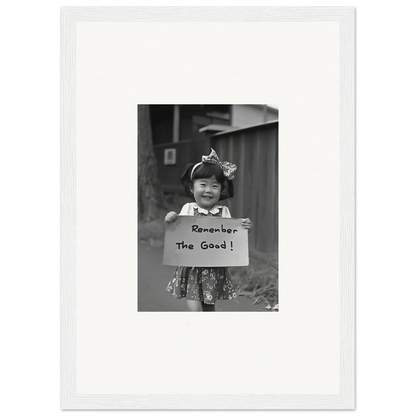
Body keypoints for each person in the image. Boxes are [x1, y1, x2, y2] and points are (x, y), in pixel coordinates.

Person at [165, 148, 252, 312]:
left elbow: (232, 237)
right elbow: (178, 229)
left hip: (214, 267)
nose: (208, 190)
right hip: (192, 266)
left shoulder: (223, 212)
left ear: (221, 189)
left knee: (209, 305)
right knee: (195, 304)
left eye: (215, 186)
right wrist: (171, 218)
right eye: (203, 184)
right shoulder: (188, 208)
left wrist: (245, 228)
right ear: (192, 188)